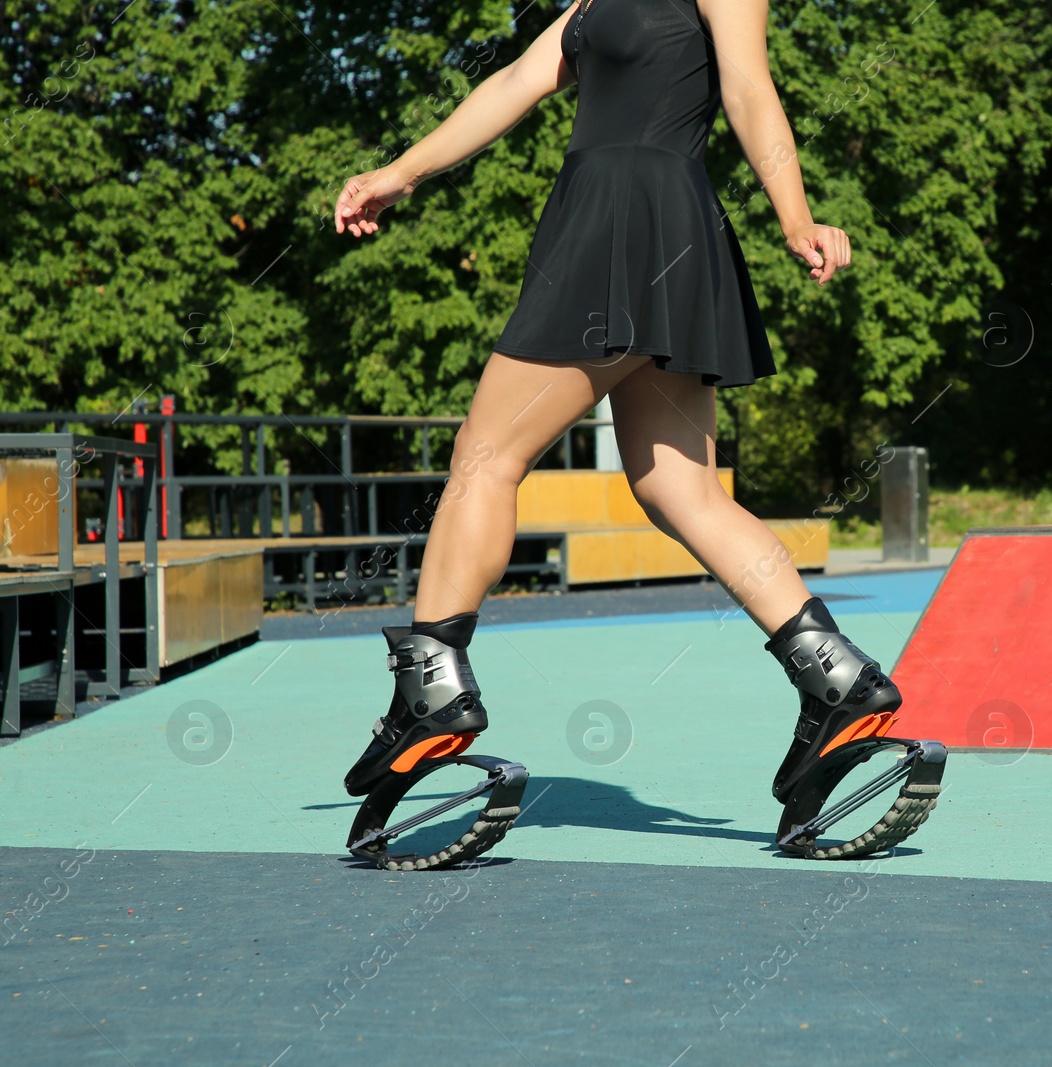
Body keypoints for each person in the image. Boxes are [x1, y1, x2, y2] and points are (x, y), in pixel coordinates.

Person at [330, 0, 906, 828]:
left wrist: (794, 214)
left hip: (627, 220)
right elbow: (512, 84)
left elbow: (749, 89)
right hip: (636, 223)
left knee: (486, 457)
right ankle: (838, 679)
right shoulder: (587, 2)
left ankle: (430, 693)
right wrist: (400, 173)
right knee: (681, 488)